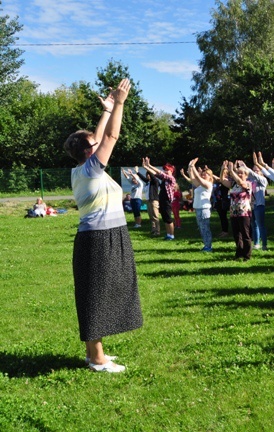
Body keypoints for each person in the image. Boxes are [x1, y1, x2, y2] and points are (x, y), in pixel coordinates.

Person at [63, 78, 141, 373]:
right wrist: (120, 104)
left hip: (105, 235)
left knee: (102, 290)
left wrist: (107, 110)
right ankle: (96, 359)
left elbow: (97, 136)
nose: (97, 139)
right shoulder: (91, 169)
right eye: (92, 142)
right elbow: (110, 138)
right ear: (89, 150)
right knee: (96, 293)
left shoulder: (82, 169)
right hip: (99, 238)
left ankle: (95, 352)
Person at [221, 160, 253, 260]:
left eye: (241, 173)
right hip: (234, 213)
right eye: (238, 172)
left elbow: (240, 182)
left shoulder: (247, 183)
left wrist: (232, 171)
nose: (239, 174)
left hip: (244, 213)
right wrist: (223, 169)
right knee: (236, 234)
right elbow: (222, 180)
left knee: (245, 234)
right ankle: (239, 253)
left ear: (246, 175)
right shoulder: (234, 185)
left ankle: (247, 255)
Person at [142, 159, 177, 240]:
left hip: (167, 201)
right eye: (165, 169)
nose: (165, 171)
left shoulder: (171, 178)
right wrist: (146, 167)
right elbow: (155, 174)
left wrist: (149, 165)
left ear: (171, 171)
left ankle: (172, 235)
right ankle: (168, 234)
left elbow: (160, 173)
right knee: (165, 218)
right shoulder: (164, 180)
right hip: (162, 200)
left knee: (168, 218)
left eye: (167, 170)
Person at [186, 159, 214, 252]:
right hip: (198, 208)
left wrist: (193, 167)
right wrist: (190, 167)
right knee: (201, 228)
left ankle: (208, 246)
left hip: (204, 209)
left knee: (205, 228)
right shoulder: (200, 185)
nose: (203, 175)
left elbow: (197, 177)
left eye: (205, 174)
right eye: (202, 174)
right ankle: (206, 245)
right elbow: (193, 179)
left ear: (210, 176)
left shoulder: (208, 184)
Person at [246, 163, 268, 251]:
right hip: (251, 205)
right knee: (254, 225)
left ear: (261, 172)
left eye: (257, 170)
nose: (255, 172)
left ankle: (264, 245)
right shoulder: (250, 180)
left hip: (259, 205)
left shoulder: (263, 180)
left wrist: (247, 167)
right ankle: (256, 243)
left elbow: (255, 176)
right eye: (254, 170)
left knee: (261, 225)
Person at [136, 170, 161, 236]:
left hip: (154, 201)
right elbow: (143, 178)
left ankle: (157, 231)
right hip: (148, 201)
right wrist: (137, 172)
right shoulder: (148, 182)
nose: (148, 176)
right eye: (147, 175)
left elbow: (153, 177)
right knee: (151, 216)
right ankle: (153, 229)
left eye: (149, 175)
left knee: (155, 216)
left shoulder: (155, 182)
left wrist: (147, 168)